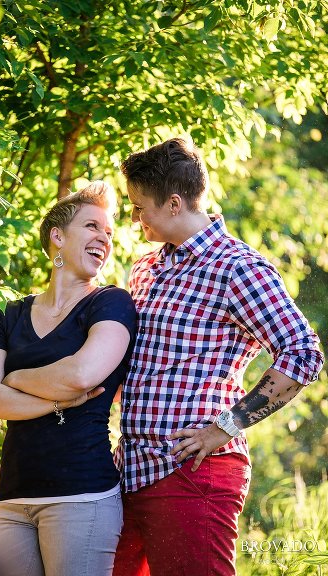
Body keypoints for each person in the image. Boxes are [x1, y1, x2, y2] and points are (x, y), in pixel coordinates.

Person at [111, 137, 324, 576]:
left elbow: (303, 353)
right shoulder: (146, 267)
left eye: (139, 206)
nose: (134, 218)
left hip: (192, 474)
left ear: (173, 204)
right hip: (127, 473)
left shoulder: (238, 267)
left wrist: (222, 428)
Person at [0, 181, 137, 576]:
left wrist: (13, 378)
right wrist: (56, 401)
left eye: (109, 233)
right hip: (12, 498)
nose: (104, 239)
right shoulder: (8, 314)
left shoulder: (110, 303)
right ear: (58, 237)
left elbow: (81, 375)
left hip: (82, 494)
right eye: (93, 227)